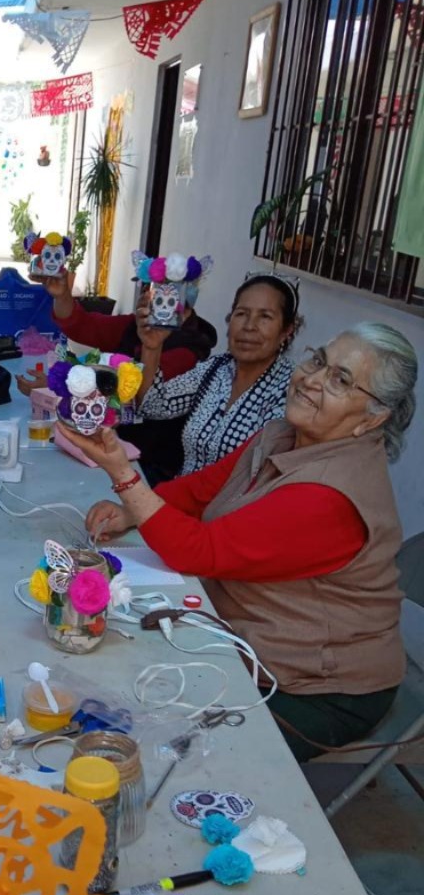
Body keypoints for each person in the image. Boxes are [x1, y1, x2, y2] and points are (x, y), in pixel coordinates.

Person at [62, 322, 417, 762]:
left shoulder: (332, 496)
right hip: (242, 634)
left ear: (374, 417)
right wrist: (131, 509)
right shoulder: (281, 435)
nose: (311, 379)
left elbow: (200, 552)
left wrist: (124, 477)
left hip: (315, 686)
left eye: (340, 380)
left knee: (177, 755)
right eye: (318, 361)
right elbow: (200, 490)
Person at [16, 270, 218, 481]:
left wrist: (56, 385)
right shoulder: (135, 325)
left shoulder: (189, 351)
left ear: (182, 309)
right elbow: (84, 325)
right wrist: (61, 295)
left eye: (161, 297)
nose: (145, 298)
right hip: (110, 436)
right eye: (150, 291)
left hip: (147, 460)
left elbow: (130, 393)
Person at [134, 273, 301, 475]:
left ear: (287, 331)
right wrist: (152, 347)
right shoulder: (216, 369)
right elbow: (152, 406)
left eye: (265, 316)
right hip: (180, 494)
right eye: (241, 314)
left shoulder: (291, 391)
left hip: (231, 505)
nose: (249, 326)